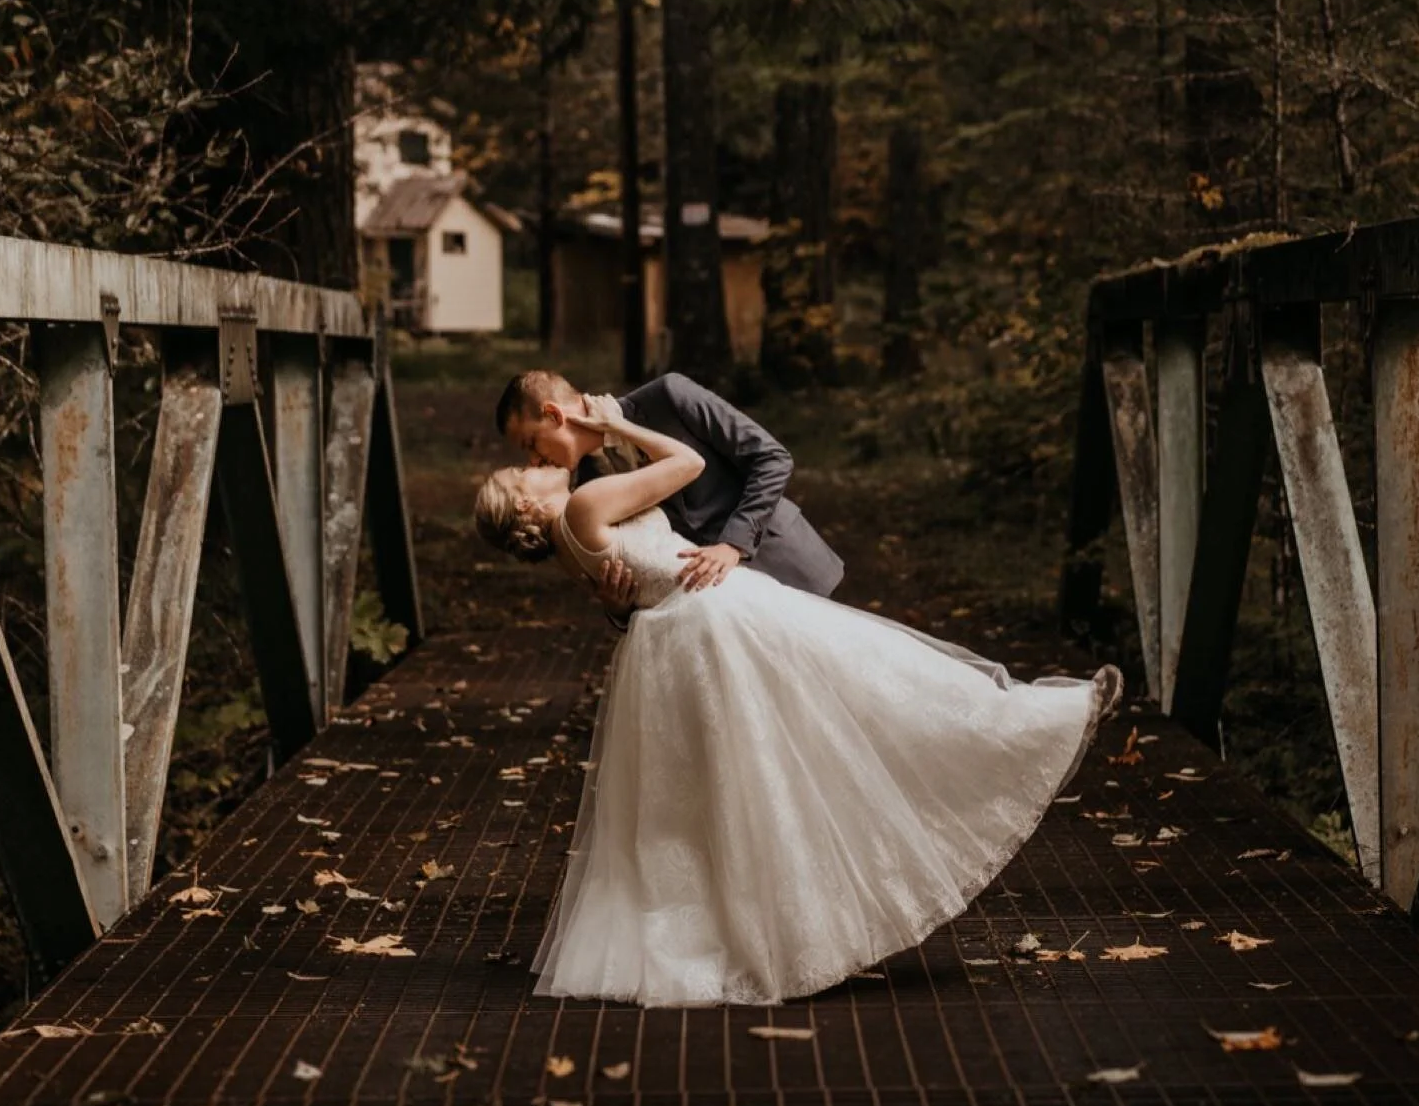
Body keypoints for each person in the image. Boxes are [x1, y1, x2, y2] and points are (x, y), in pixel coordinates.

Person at [473, 396, 1121, 1007]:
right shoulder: (582, 505)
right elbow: (687, 465)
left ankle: (764, 927)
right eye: (524, 474)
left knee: (739, 790)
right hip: (714, 623)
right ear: (528, 512)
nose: (536, 465)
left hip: (677, 640)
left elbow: (625, 585)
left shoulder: (567, 538)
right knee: (873, 692)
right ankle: (1024, 722)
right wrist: (618, 424)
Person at [495, 369, 843, 625]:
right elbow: (644, 572)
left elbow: (771, 458)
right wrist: (618, 608)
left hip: (784, 563)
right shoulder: (587, 489)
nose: (534, 460)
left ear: (555, 415)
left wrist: (732, 545)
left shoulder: (670, 396)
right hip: (722, 616)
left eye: (531, 444)